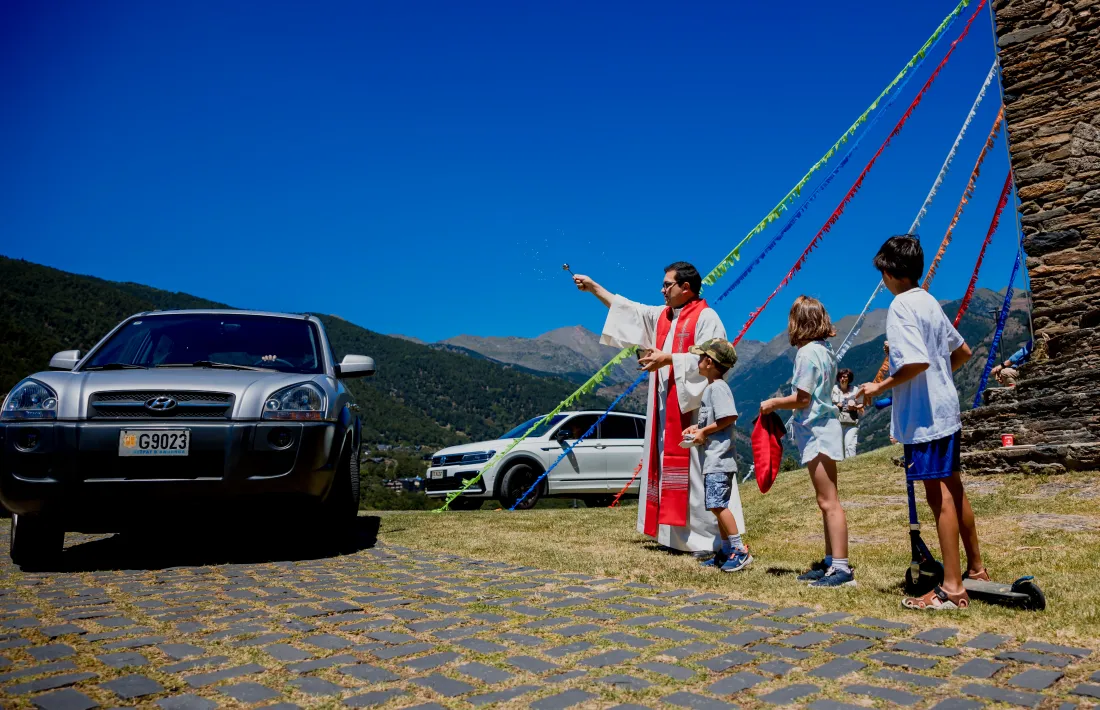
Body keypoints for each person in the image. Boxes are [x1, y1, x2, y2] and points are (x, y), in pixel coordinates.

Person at [573, 262, 747, 555]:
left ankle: (709, 540)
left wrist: (670, 360)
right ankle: (675, 537)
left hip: (694, 408)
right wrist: (594, 288)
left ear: (686, 288)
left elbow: (717, 361)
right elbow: (628, 310)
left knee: (697, 472)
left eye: (668, 285)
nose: (662, 290)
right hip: (665, 406)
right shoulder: (662, 316)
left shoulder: (707, 317)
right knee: (668, 466)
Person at [859, 235, 985, 610]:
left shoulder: (899, 307)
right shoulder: (929, 300)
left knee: (938, 496)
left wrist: (878, 385)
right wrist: (941, 379)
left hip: (924, 418)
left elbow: (915, 362)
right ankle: (975, 570)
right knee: (955, 489)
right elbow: (962, 351)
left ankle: (951, 586)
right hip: (946, 408)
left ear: (889, 271)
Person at [760, 296, 853, 588]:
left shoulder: (806, 354)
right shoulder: (826, 351)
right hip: (825, 428)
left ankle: (841, 568)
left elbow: (802, 398)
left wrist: (773, 403)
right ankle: (829, 562)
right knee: (825, 500)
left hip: (817, 431)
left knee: (829, 502)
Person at [682, 338, 751, 572]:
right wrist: (697, 430)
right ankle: (725, 551)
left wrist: (703, 431)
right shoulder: (712, 388)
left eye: (701, 358)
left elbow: (728, 417)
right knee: (715, 504)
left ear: (710, 362)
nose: (699, 361)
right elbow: (714, 421)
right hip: (713, 459)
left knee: (718, 505)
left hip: (719, 459)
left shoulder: (717, 388)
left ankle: (739, 549)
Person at [832, 368, 863, 458]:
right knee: (838, 446)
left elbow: (861, 404)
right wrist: (836, 405)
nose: (843, 379)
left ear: (849, 378)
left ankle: (851, 464)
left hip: (851, 421)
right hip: (837, 422)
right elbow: (827, 403)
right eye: (841, 377)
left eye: (845, 377)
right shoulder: (833, 390)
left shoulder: (856, 390)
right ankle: (841, 465)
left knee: (850, 445)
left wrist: (854, 407)